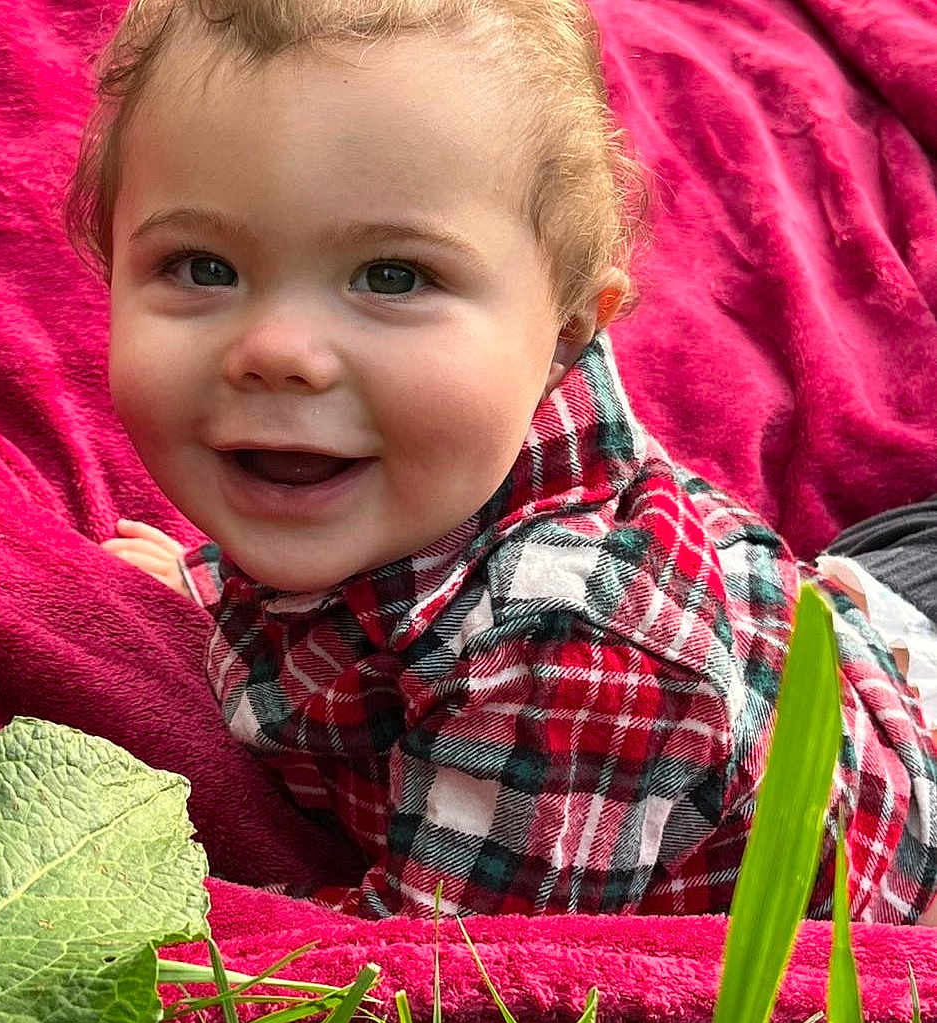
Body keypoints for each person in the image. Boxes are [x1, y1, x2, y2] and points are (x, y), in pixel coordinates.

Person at [66, 0, 937, 921]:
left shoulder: (566, 652)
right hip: (842, 617)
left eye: (393, 276)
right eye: (203, 267)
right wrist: (207, 587)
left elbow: (433, 986)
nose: (277, 349)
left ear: (561, 338)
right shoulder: (392, 461)